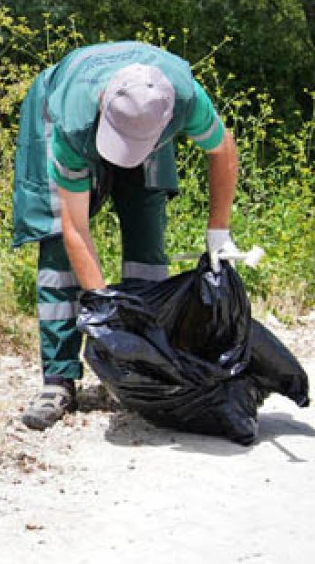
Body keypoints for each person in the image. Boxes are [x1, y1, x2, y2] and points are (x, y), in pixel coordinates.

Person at [12, 41, 239, 430]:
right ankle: (58, 379)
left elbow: (223, 149)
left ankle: (142, 367)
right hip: (62, 115)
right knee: (56, 249)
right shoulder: (71, 119)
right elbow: (75, 228)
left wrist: (218, 231)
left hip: (143, 125)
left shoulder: (183, 97)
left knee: (147, 234)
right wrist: (105, 311)